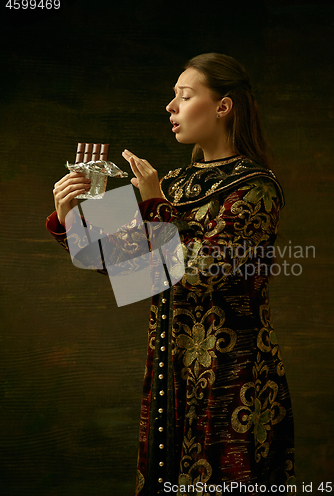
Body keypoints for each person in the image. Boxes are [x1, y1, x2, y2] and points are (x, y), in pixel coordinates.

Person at [47, 53, 295, 495]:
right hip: (169, 372)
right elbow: (125, 266)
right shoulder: (176, 182)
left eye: (184, 95)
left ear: (223, 106)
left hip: (232, 378)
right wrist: (71, 216)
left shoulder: (256, 187)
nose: (170, 107)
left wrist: (154, 203)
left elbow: (197, 272)